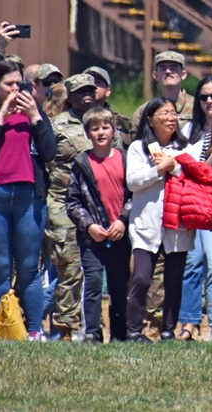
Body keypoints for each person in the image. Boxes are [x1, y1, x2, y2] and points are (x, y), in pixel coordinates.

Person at [0, 59, 56, 341]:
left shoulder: (35, 116)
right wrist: (3, 113)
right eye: (9, 84)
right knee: (1, 267)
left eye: (20, 84)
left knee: (29, 267)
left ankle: (34, 330)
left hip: (28, 197)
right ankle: (5, 331)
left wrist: (34, 116)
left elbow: (49, 150)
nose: (16, 90)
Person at [47, 73, 116, 341]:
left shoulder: (106, 122)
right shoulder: (57, 125)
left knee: (95, 271)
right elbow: (46, 162)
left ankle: (93, 327)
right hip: (64, 202)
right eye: (79, 92)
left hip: (100, 206)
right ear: (70, 96)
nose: (86, 95)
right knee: (70, 265)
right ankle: (65, 329)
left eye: (90, 90)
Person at [125, 97, 196, 342]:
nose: (170, 118)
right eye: (163, 113)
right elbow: (132, 182)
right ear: (150, 120)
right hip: (146, 226)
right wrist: (158, 170)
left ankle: (168, 331)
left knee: (174, 281)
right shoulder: (138, 148)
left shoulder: (186, 149)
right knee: (142, 278)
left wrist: (173, 166)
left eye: (173, 113)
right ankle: (134, 331)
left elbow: (194, 178)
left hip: (178, 225)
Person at [64, 107, 131, 343]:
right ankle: (92, 332)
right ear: (87, 133)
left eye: (105, 127)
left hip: (120, 236)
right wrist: (89, 226)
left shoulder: (125, 159)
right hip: (92, 238)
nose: (101, 132)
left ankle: (119, 334)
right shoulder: (82, 163)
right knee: (92, 283)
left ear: (114, 130)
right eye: (95, 128)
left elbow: (133, 195)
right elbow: (72, 202)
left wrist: (123, 220)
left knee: (119, 286)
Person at [175, 75, 212, 341]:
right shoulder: (189, 131)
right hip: (190, 204)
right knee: (192, 263)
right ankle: (189, 322)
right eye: (204, 96)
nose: (208, 101)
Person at [130, 52, 195, 131]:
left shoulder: (197, 108)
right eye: (163, 68)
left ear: (183, 74)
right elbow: (131, 141)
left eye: (173, 67)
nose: (168, 71)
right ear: (155, 75)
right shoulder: (144, 112)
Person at [84, 66, 133, 147]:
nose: (92, 86)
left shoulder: (123, 123)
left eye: (98, 82)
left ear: (107, 91)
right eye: (88, 83)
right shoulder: (67, 120)